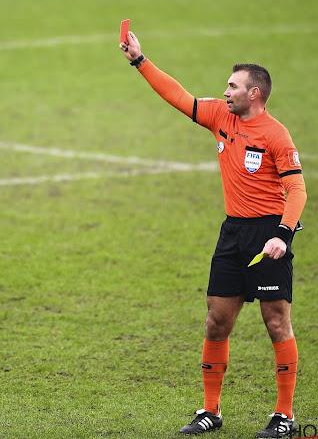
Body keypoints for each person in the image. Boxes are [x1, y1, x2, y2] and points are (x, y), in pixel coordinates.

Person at [120, 31, 307, 438]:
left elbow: (297, 189)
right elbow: (178, 96)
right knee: (216, 323)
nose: (225, 91)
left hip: (268, 235)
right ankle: (211, 411)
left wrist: (283, 235)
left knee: (277, 323)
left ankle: (284, 416)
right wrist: (140, 60)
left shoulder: (277, 135)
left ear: (254, 94)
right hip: (232, 233)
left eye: (233, 86)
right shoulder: (220, 116)